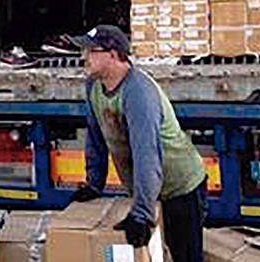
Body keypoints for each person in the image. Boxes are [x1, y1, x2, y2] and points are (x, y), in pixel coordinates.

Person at [68, 25, 207, 262]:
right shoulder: (94, 86)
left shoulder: (138, 92)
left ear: (112, 55)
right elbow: (96, 136)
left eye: (91, 51)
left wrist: (142, 214)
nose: (84, 58)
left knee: (184, 255)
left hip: (180, 186)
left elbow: (147, 154)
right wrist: (94, 184)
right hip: (149, 187)